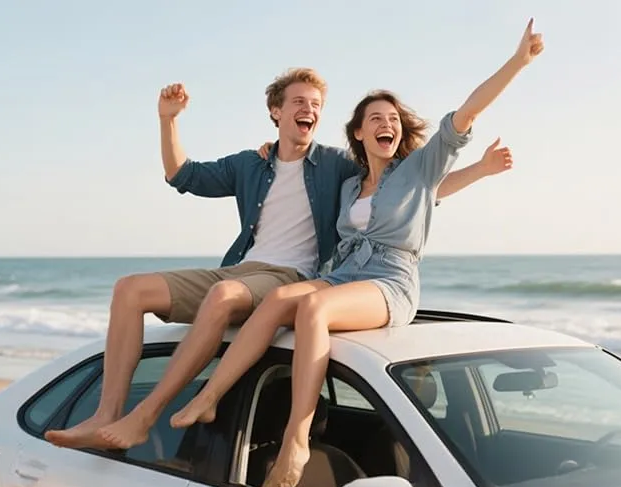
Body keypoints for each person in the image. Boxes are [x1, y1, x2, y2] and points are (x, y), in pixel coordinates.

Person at [166, 19, 547, 487]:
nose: (386, 124)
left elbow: (466, 115)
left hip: (390, 281)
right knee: (281, 298)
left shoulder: (417, 169)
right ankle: (209, 396)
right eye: (375, 119)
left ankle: (297, 440)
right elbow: (419, 198)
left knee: (312, 310)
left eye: (393, 118)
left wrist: (517, 62)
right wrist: (268, 151)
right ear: (359, 133)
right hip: (342, 274)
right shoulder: (347, 184)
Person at [44, 68, 512, 450]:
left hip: (293, 276)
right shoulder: (253, 164)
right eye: (299, 103)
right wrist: (169, 121)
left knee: (227, 296)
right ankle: (105, 414)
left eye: (316, 105)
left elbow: (414, 193)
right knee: (130, 289)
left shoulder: (336, 166)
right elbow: (181, 175)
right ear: (276, 112)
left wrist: (479, 171)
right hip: (239, 267)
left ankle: (148, 415)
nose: (308, 111)